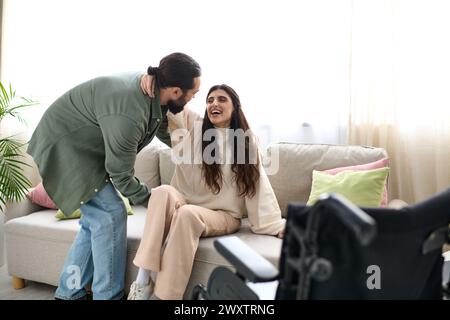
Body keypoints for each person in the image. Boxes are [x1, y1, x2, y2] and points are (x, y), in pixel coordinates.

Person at [27, 52, 201, 300]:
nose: (193, 98)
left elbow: (160, 126)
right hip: (66, 147)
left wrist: (192, 151)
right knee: (110, 213)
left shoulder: (154, 94)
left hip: (85, 147)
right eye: (192, 93)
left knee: (93, 222)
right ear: (175, 90)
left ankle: (68, 292)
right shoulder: (129, 113)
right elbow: (120, 175)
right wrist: (152, 200)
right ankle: (107, 296)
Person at [127, 81, 285, 300]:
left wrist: (275, 225)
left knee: (187, 214)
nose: (214, 104)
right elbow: (173, 105)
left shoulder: (246, 143)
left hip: (223, 215)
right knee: (162, 191)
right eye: (209, 100)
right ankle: (143, 281)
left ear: (235, 107)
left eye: (221, 99)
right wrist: (153, 79)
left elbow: (258, 186)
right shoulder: (196, 130)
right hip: (188, 202)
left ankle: (164, 297)